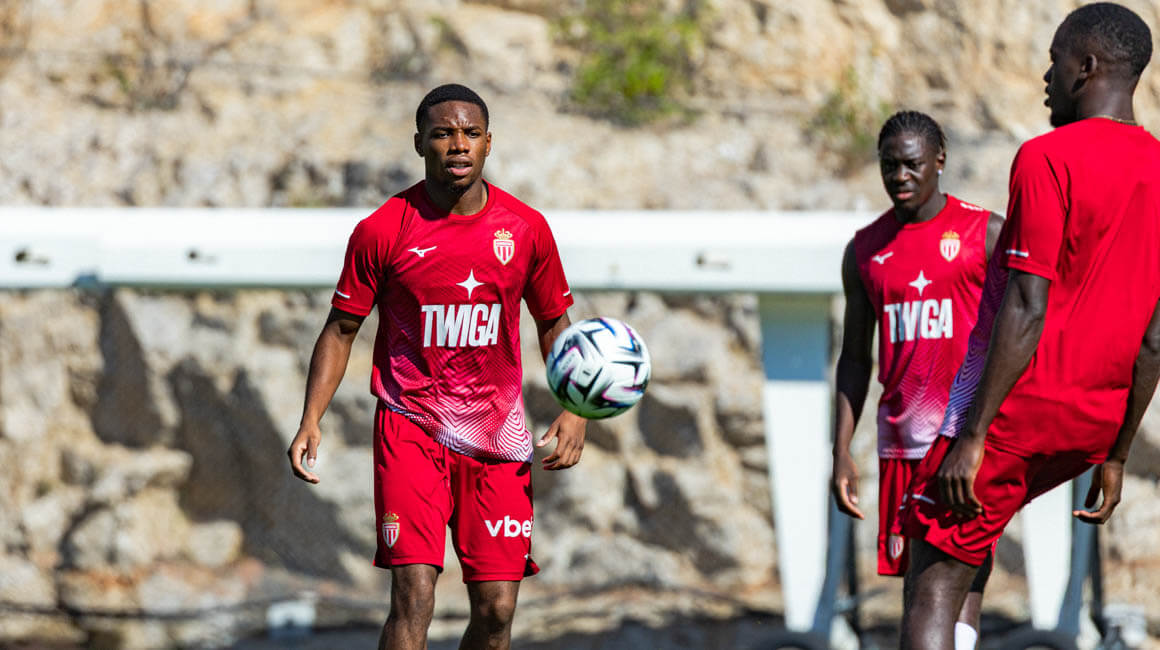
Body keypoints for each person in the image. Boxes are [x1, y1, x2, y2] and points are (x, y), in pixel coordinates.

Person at [286, 83, 588, 650]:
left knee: (497, 611)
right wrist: (311, 418)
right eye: (443, 133)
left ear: (489, 143)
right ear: (419, 143)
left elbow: (554, 324)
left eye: (470, 133)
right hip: (411, 428)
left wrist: (577, 409)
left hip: (498, 434)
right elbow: (342, 329)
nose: (458, 144)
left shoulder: (525, 228)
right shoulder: (383, 229)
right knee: (414, 597)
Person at [899, 4, 1160, 648]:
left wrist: (973, 435)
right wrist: (1117, 453)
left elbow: (1026, 304)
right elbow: (1156, 338)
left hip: (1020, 411)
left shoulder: (1048, 157)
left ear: (1086, 67)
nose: (1047, 77)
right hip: (1093, 422)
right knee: (972, 539)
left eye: (1054, 60)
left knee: (932, 577)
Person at [832, 110, 1004, 650]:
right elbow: (854, 358)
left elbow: (1023, 327)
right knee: (927, 592)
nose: (899, 176)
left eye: (911, 164)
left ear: (939, 161)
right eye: (889, 166)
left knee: (950, 584)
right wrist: (841, 450)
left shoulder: (986, 233)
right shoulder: (865, 250)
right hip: (901, 446)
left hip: (962, 442)